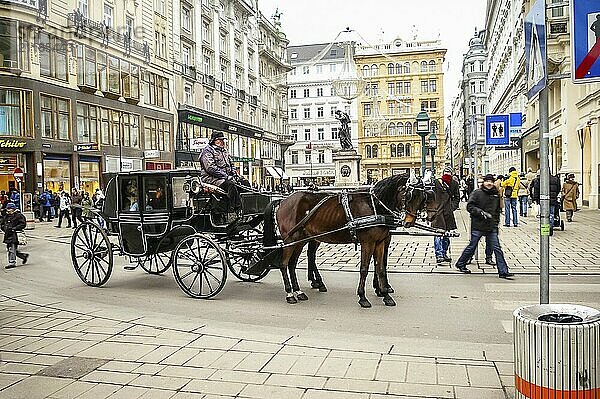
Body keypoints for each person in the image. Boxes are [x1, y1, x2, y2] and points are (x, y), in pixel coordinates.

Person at [454, 174, 514, 279]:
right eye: (487, 181)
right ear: (484, 182)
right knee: (472, 246)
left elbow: (497, 211)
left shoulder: (495, 194)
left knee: (497, 248)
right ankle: (461, 263)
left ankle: (503, 271)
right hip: (478, 225)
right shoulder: (477, 193)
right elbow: (469, 206)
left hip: (491, 227)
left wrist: (496, 224)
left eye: (491, 181)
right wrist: (480, 212)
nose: (489, 183)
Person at [199, 131, 243, 223]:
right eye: (220, 140)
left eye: (223, 140)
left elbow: (231, 164)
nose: (223, 142)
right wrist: (226, 176)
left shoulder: (224, 151)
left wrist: (235, 175)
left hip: (225, 178)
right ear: (214, 141)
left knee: (243, 183)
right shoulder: (208, 151)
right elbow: (210, 168)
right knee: (230, 185)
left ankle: (248, 208)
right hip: (211, 179)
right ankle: (233, 210)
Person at [432, 166, 460, 264]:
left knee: (446, 235)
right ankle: (439, 254)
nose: (447, 174)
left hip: (448, 213)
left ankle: (444, 253)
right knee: (438, 234)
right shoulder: (436, 182)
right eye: (446, 172)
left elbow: (457, 197)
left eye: (449, 172)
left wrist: (452, 207)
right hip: (438, 212)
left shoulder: (454, 184)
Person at [1, 202, 29, 269]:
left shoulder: (19, 215)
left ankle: (12, 262)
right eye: (7, 209)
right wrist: (4, 228)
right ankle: (23, 256)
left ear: (13, 209)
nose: (8, 210)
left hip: (15, 235)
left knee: (12, 248)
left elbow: (23, 224)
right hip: (8, 234)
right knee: (10, 249)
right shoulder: (6, 216)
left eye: (9, 209)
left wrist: (14, 228)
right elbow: (2, 223)